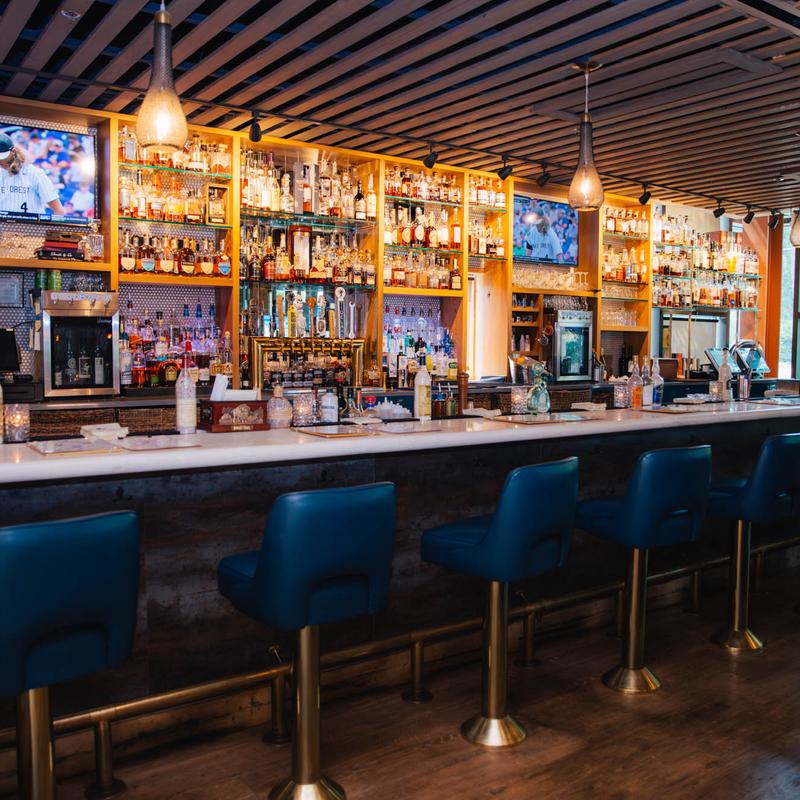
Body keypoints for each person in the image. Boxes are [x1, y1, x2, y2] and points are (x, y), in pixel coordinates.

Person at [0, 132, 64, 217]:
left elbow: (59, 210)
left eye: (2, 157)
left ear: (13, 152)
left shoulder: (35, 173)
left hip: (30, 225)